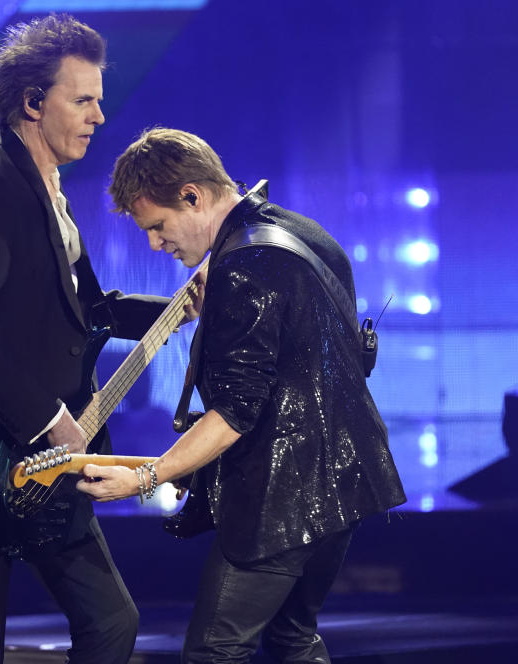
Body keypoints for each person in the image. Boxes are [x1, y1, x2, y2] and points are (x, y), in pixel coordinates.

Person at [0, 17, 186, 664]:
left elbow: (92, 310)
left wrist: (180, 308)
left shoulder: (48, 191)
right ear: (33, 103)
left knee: (111, 621)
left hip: (45, 462)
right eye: (82, 99)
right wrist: (49, 416)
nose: (99, 115)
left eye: (98, 98)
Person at [77, 128, 407, 663]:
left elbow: (235, 411)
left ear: (192, 195)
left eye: (158, 227)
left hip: (286, 500)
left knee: (215, 652)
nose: (155, 244)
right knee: (292, 641)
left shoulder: (245, 265)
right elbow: (305, 351)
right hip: (347, 485)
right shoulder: (300, 232)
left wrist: (144, 477)